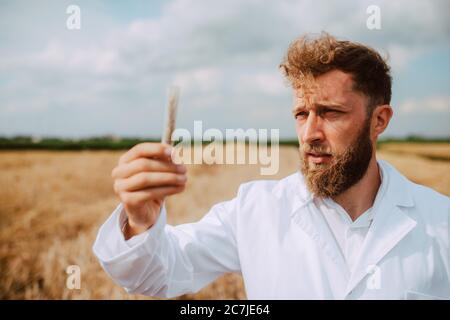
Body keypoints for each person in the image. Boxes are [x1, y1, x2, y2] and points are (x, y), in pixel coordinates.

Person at [92, 33, 450, 299]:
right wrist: (140, 220)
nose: (310, 133)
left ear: (379, 120)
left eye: (330, 112)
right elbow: (155, 276)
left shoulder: (440, 222)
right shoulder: (255, 209)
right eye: (301, 114)